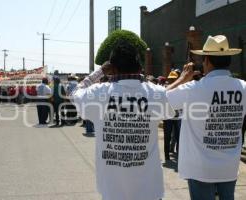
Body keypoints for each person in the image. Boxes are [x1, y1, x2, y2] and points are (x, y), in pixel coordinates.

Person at [71, 41, 174, 200]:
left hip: (113, 190)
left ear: (112, 68)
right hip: (150, 190)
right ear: (140, 67)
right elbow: (171, 111)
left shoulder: (98, 93)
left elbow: (74, 92)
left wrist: (99, 72)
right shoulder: (157, 93)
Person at [166, 35, 245, 200]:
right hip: (229, 167)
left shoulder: (193, 88)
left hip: (200, 168)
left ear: (207, 60)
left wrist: (181, 79)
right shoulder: (243, 88)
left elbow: (161, 101)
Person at [163, 70, 182, 161]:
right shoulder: (165, 88)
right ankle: (167, 156)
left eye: (174, 79)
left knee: (179, 137)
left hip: (178, 117)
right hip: (168, 117)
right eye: (171, 79)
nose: (172, 80)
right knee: (167, 136)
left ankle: (179, 155)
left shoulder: (181, 88)